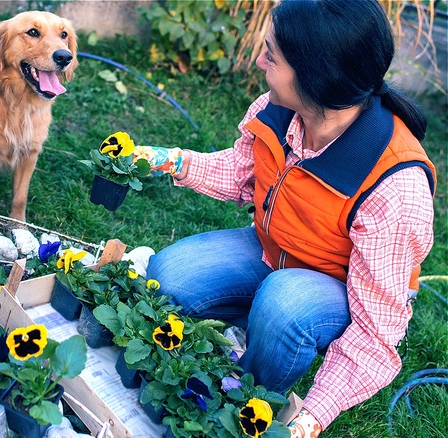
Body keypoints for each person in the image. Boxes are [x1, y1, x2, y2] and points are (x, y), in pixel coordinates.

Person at [137, 0, 437, 436]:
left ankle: (244, 396)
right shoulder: (276, 110)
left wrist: (311, 417)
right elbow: (241, 173)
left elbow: (376, 333)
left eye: (271, 56)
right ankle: (252, 333)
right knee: (170, 275)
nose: (259, 61)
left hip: (338, 291)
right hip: (273, 248)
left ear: (316, 76)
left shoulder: (395, 185)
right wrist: (168, 160)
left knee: (284, 306)